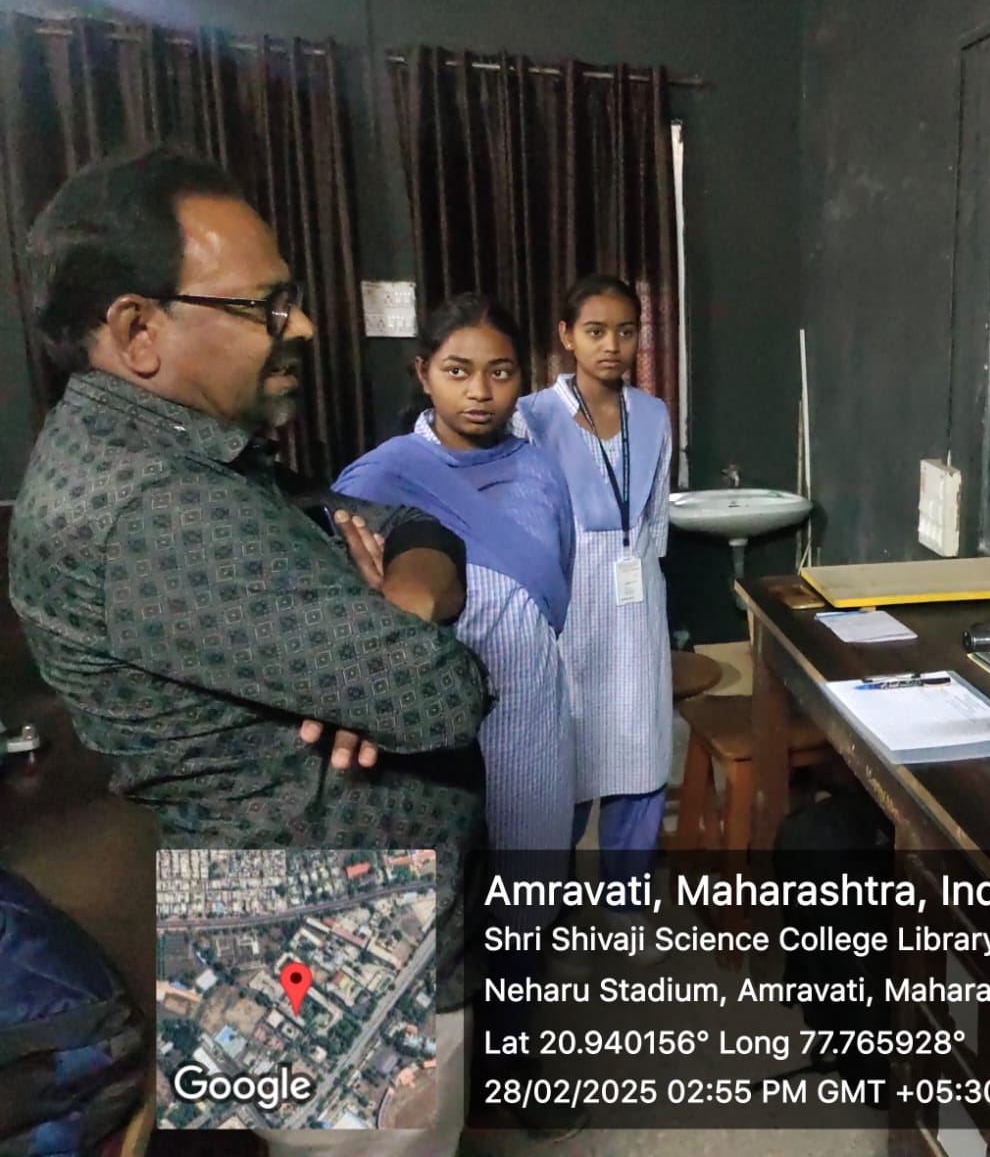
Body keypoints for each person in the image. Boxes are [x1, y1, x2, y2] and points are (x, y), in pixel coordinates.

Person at [8, 146, 490, 1157]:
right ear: (138, 330)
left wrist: (395, 601)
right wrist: (396, 646)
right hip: (330, 947)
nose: (302, 327)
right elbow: (444, 694)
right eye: (265, 305)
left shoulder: (197, 455)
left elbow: (406, 525)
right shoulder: (154, 510)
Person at [335, 293, 576, 857]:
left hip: (530, 706)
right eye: (457, 371)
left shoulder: (539, 470)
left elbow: (555, 580)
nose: (479, 392)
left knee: (529, 878)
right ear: (424, 373)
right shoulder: (380, 478)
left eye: (500, 372)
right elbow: (358, 609)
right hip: (428, 716)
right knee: (449, 883)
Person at [517, 275, 673, 922]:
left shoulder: (654, 414)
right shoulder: (533, 417)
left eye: (626, 331)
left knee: (641, 751)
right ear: (566, 336)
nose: (613, 346)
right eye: (595, 331)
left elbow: (657, 517)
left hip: (638, 601)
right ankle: (546, 909)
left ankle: (624, 903)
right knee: (567, 756)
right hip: (567, 601)